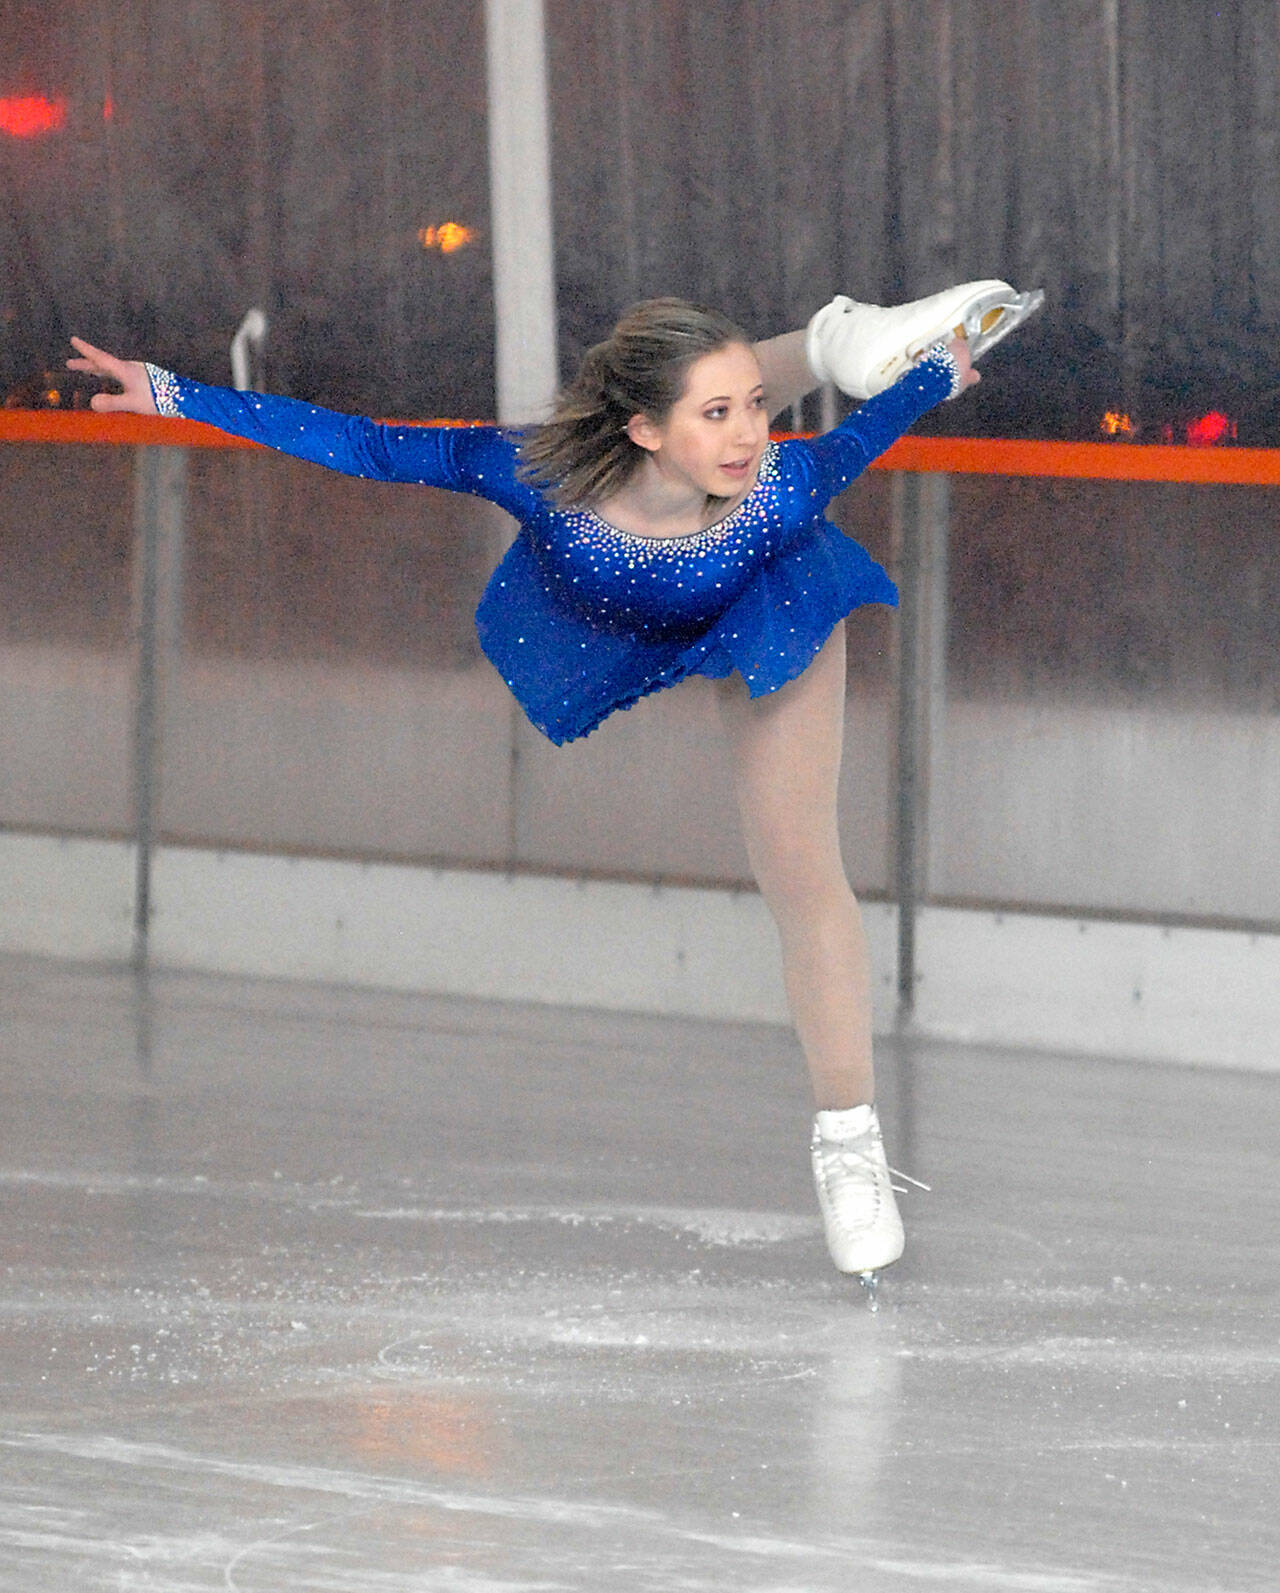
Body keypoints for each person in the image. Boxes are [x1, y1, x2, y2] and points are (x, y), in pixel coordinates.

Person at [68, 283, 1011, 1288]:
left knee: (797, 865)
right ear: (641, 428)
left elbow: (862, 436)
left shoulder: (777, 488)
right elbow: (369, 445)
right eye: (718, 413)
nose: (749, 435)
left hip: (773, 595)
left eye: (754, 405)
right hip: (615, 605)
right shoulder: (532, 471)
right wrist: (174, 394)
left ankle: (846, 1139)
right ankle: (832, 336)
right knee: (711, 395)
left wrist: (929, 374)